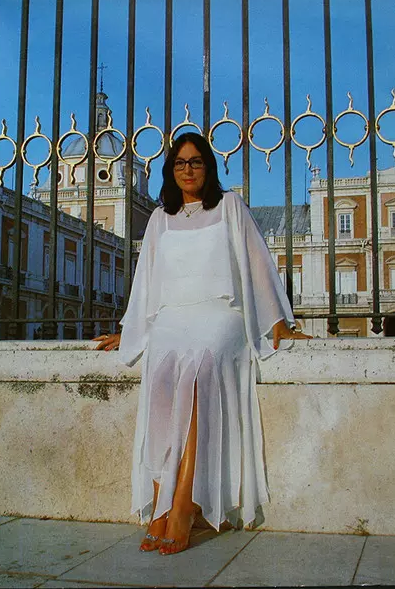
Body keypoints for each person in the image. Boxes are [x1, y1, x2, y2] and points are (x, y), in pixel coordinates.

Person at [94, 132, 311, 555]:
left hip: (221, 314)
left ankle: (184, 504)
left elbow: (258, 263)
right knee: (160, 374)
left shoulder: (229, 206)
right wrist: (131, 331)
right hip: (172, 317)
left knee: (203, 365)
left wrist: (278, 323)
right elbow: (146, 283)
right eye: (180, 163)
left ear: (208, 167)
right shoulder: (160, 219)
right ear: (170, 171)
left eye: (195, 162)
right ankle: (161, 500)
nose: (188, 169)